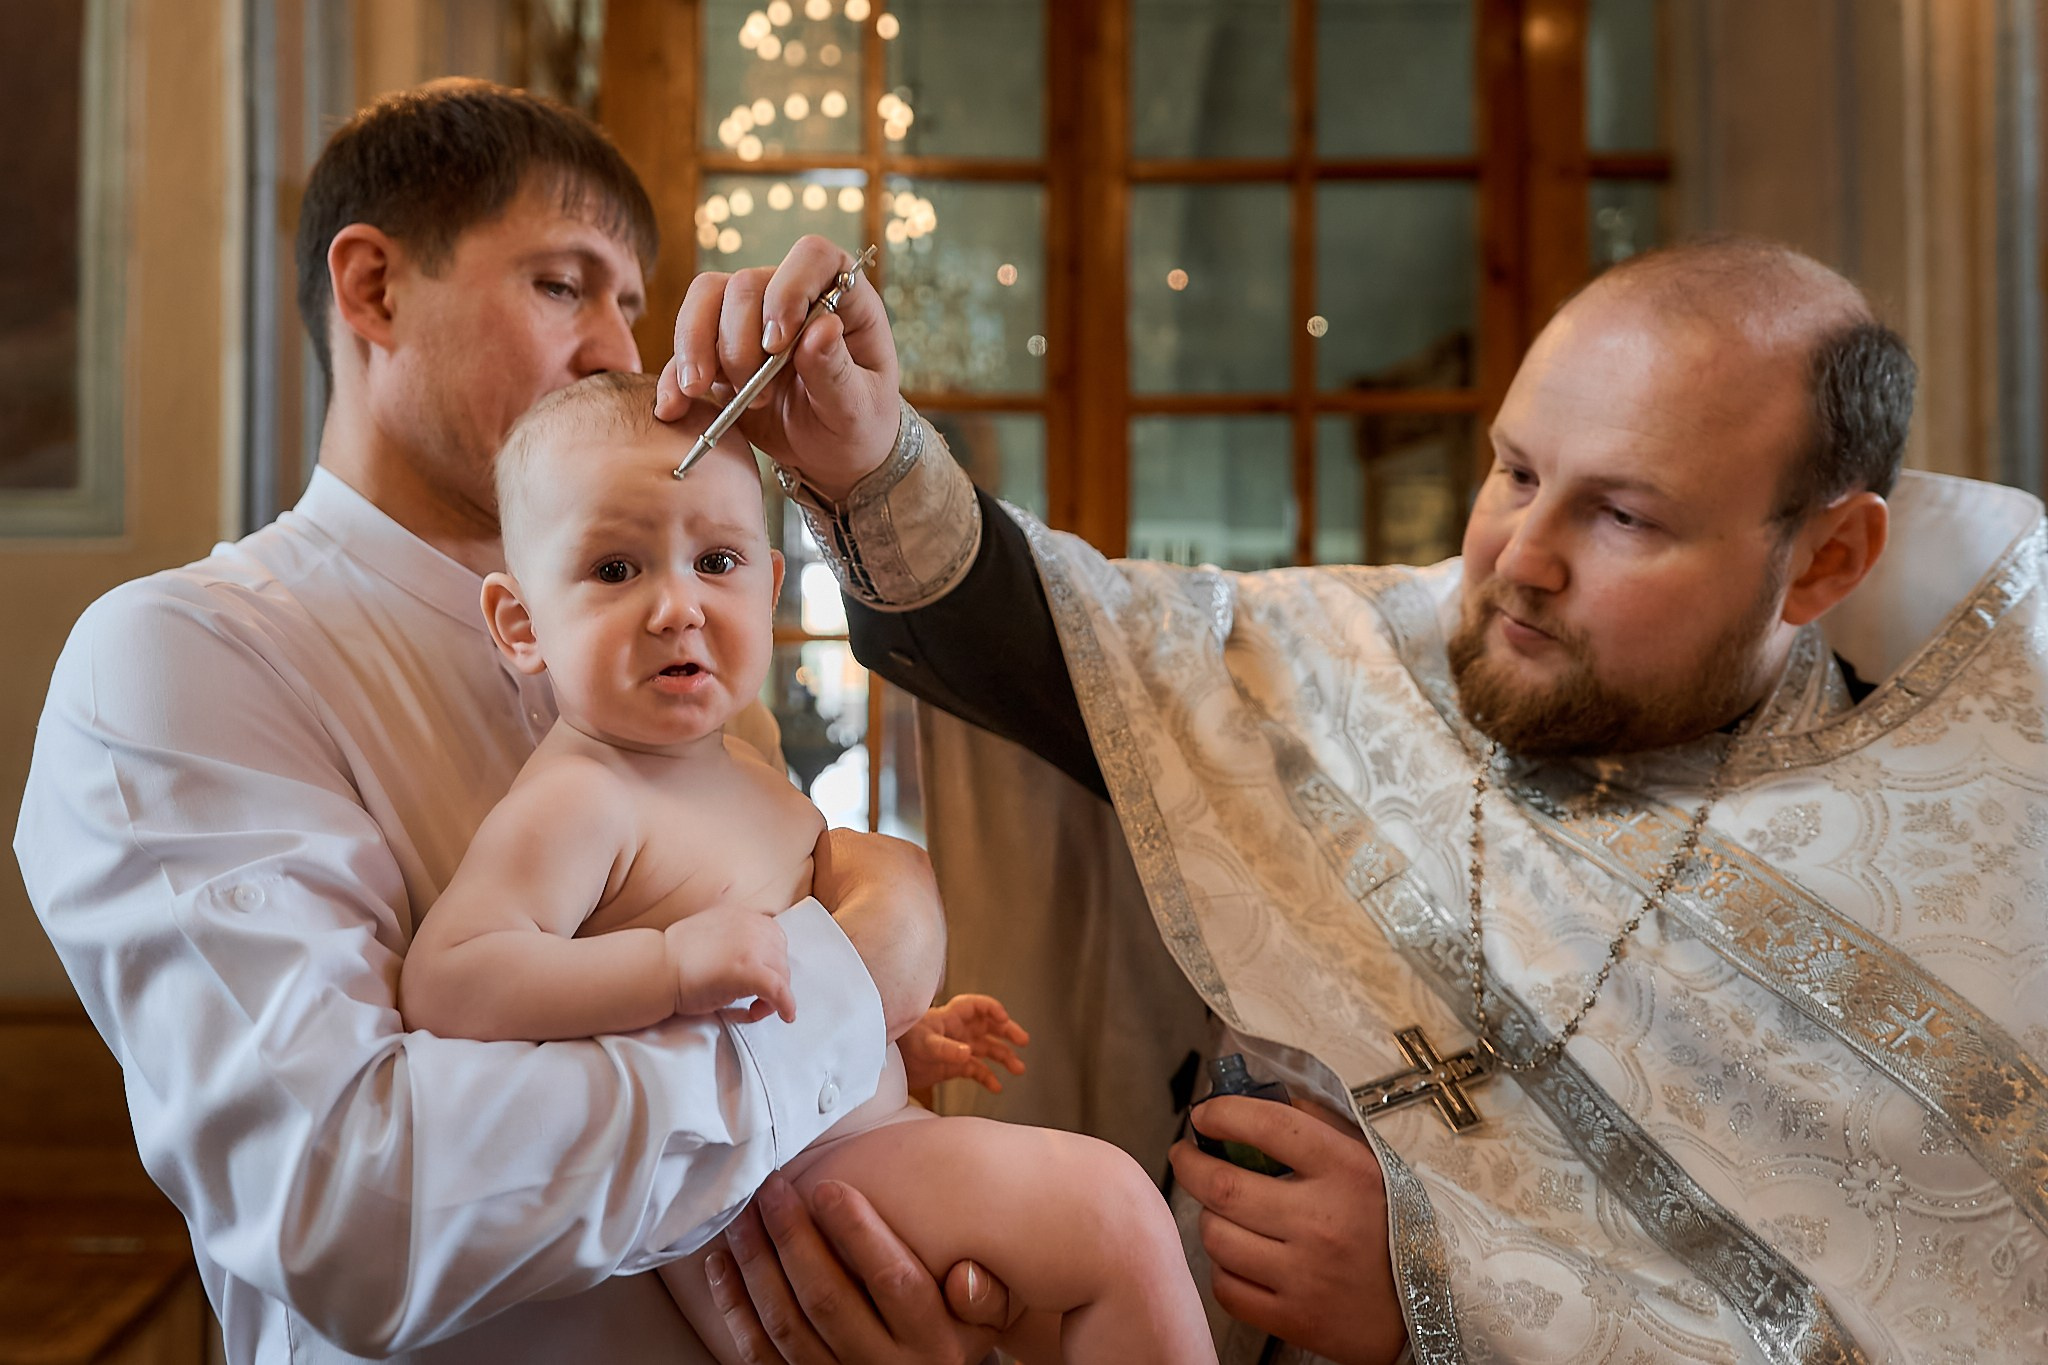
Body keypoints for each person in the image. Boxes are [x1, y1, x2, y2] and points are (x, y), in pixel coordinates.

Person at [658, 233, 2048, 1363]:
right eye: (1514, 471)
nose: (1521, 558)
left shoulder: (1981, 873)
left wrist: (1442, 1299)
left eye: (1624, 517)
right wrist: (862, 449)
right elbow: (1060, 644)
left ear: (1822, 564)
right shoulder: (1365, 660)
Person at [13, 82, 1009, 1365]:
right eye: (563, 285)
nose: (616, 351)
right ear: (373, 291)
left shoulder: (678, 663)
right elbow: (361, 1206)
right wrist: (846, 980)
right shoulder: (180, 657)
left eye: (631, 305)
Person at [397, 371, 1216, 1364]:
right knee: (1118, 1214)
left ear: (771, 588)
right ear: (520, 623)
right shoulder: (584, 795)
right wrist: (669, 967)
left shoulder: (735, 764)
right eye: (615, 570)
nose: (677, 607)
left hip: (841, 1144)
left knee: (1060, 1309)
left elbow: (793, 997)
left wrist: (895, 1039)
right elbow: (452, 978)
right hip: (771, 1193)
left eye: (716, 560)